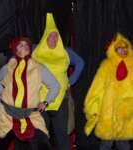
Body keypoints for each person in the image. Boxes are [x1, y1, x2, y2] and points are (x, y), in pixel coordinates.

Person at [0, 37, 60, 150]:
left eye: (26, 45)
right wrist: (1, 93)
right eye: (20, 44)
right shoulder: (8, 67)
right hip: (6, 115)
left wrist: (46, 102)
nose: (24, 46)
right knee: (0, 145)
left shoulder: (38, 68)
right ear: (15, 48)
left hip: (30, 115)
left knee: (42, 145)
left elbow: (55, 85)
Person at [32, 13, 84, 150]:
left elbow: (80, 62)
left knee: (61, 135)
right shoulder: (36, 50)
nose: (54, 39)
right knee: (41, 135)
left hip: (61, 100)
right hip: (39, 100)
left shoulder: (65, 51)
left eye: (56, 36)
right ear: (45, 37)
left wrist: (70, 81)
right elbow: (19, 56)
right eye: (51, 36)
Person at [83, 33, 132, 150]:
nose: (123, 50)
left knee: (123, 144)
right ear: (114, 50)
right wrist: (92, 106)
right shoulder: (106, 66)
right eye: (120, 48)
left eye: (125, 47)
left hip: (126, 113)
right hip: (108, 112)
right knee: (106, 144)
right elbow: (96, 88)